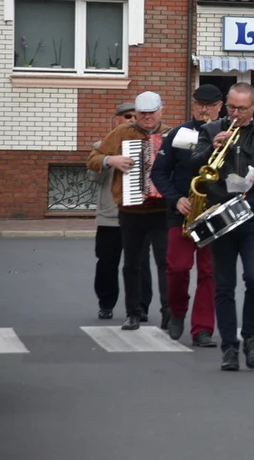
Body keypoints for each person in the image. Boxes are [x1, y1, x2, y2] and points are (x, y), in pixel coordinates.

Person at [191, 83, 254, 372]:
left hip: (253, 217)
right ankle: (229, 348)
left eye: (242, 109)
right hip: (220, 218)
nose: (235, 114)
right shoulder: (211, 130)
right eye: (231, 107)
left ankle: (251, 339)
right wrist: (212, 147)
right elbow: (193, 164)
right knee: (223, 286)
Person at [87, 91, 171, 332]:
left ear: (160, 110)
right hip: (130, 208)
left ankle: (168, 311)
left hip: (162, 209)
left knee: (166, 264)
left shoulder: (171, 134)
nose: (146, 118)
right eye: (142, 113)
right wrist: (111, 161)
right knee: (131, 264)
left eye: (151, 112)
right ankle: (133, 313)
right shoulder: (122, 134)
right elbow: (93, 158)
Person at [150, 84, 224, 347]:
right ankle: (177, 311)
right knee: (178, 268)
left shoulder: (228, 134)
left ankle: (202, 329)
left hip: (214, 213)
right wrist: (175, 198)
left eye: (209, 104)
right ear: (193, 105)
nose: (203, 109)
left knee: (209, 273)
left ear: (219, 107)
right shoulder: (180, 133)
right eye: (199, 104)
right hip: (181, 211)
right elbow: (158, 172)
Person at [89, 102, 152, 320]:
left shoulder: (150, 144)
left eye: (136, 116)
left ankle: (141, 307)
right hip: (111, 215)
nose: (132, 120)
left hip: (139, 214)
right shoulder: (103, 144)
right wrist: (110, 161)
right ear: (116, 120)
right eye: (127, 116)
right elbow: (94, 176)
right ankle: (106, 303)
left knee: (140, 263)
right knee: (107, 262)